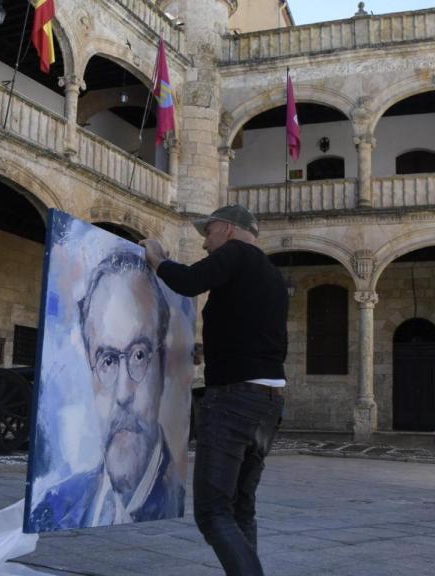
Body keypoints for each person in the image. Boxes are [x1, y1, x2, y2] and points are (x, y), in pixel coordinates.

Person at [140, 204, 288, 576]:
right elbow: (254, 333)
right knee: (240, 507)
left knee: (212, 511)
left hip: (235, 399)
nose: (206, 244)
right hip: (269, 400)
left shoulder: (235, 253)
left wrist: (157, 259)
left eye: (207, 234)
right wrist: (210, 350)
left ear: (225, 228)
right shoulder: (270, 273)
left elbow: (189, 282)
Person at [29, 250, 184, 531]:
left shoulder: (176, 494)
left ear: (163, 364)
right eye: (108, 360)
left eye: (139, 355)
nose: (123, 393)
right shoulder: (54, 505)